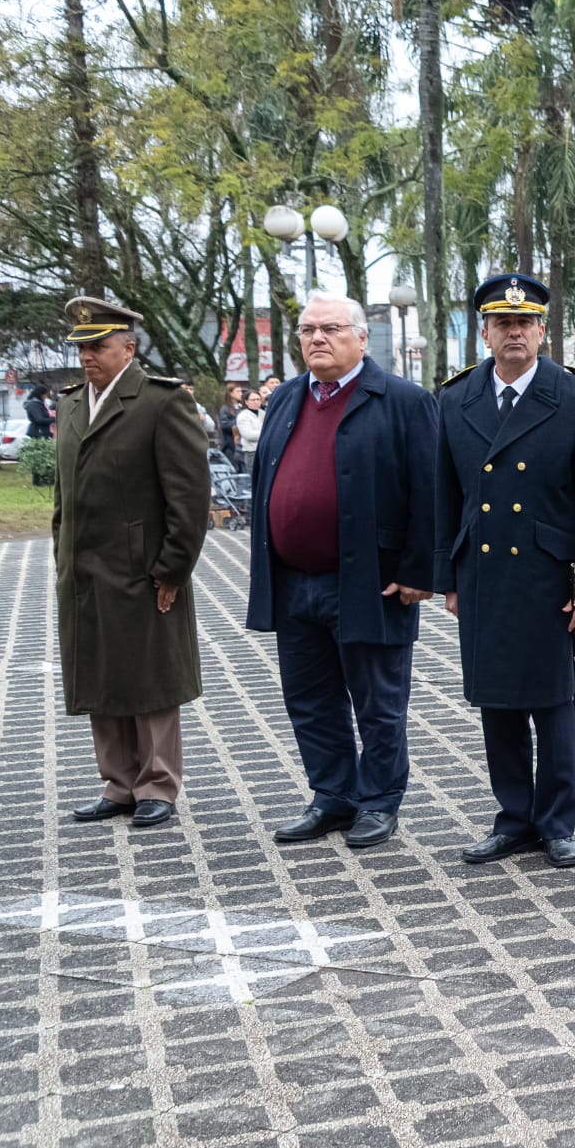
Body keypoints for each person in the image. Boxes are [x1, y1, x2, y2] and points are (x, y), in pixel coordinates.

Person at [247, 291, 439, 850]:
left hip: (371, 582)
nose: (317, 339)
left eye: (330, 328)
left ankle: (377, 801)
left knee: (378, 703)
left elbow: (429, 493)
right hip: (293, 582)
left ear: (360, 337)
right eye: (308, 330)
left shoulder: (402, 400)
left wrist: (419, 570)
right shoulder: (285, 399)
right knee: (309, 699)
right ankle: (332, 795)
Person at [436, 276, 575, 869]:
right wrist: (449, 575)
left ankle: (557, 821)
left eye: (525, 322)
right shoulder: (455, 400)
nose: (514, 332)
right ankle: (513, 817)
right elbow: (445, 495)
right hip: (484, 571)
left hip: (550, 573)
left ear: (542, 330)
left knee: (552, 700)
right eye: (501, 323)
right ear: (483, 332)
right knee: (498, 702)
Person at [53, 299, 210, 828]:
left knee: (150, 678)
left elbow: (188, 498)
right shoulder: (74, 403)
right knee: (101, 674)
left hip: (144, 568)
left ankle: (157, 784)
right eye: (81, 347)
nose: (87, 357)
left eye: (97, 346)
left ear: (128, 346)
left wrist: (172, 569)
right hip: (85, 570)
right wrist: (63, 557)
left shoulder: (161, 402)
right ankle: (118, 783)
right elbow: (65, 494)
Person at [217, 384, 245, 473]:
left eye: (241, 391)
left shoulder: (242, 407)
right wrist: (239, 423)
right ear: (230, 393)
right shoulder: (225, 408)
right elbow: (224, 425)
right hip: (230, 445)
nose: (241, 394)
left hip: (242, 444)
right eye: (238, 391)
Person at [237, 389, 264, 479]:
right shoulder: (243, 416)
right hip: (252, 453)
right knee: (255, 480)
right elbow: (248, 435)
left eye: (258, 399)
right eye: (253, 400)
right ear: (246, 402)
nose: (256, 402)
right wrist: (266, 433)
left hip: (265, 451)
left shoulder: (264, 413)